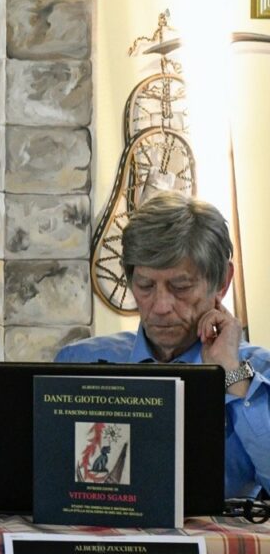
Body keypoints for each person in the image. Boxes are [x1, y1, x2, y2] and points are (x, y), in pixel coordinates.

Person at [57, 192, 270, 498]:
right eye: (145, 286)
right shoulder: (78, 362)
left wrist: (231, 372)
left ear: (221, 282)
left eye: (180, 287)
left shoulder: (258, 372)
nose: (160, 306)